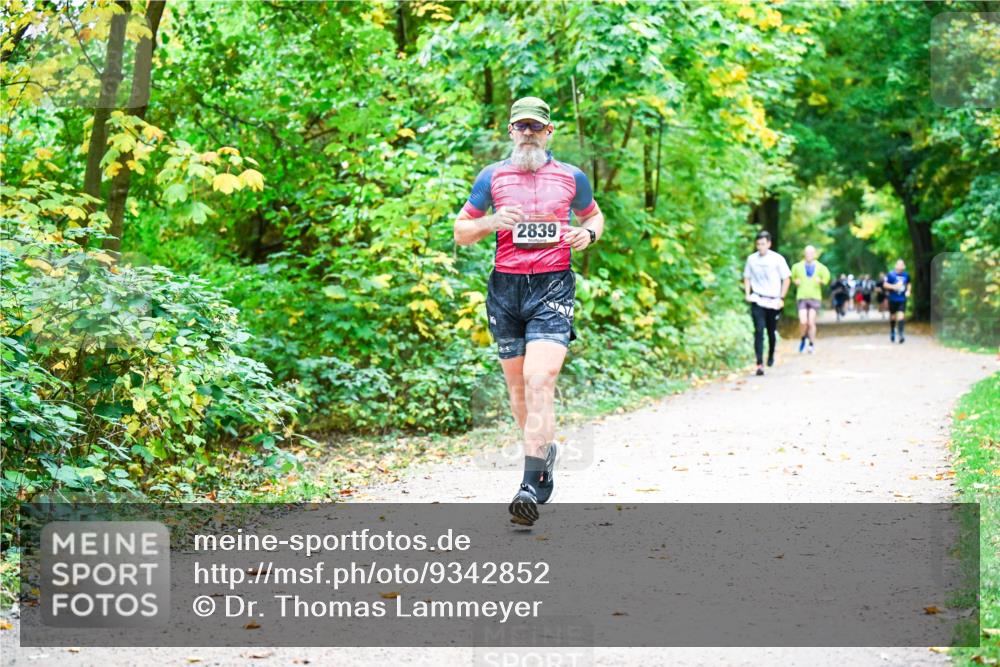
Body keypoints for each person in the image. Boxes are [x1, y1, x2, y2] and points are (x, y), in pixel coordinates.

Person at [453, 97, 604, 526]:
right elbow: (461, 231)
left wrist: (588, 235)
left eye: (536, 127)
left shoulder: (572, 177)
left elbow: (594, 216)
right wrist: (492, 221)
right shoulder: (492, 176)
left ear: (549, 131)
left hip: (552, 284)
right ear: (510, 131)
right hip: (506, 289)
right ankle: (544, 453)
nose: (528, 133)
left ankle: (528, 485)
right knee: (518, 391)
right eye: (521, 126)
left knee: (540, 379)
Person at [743, 231, 790, 376]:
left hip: (773, 301)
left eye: (763, 244)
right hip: (758, 299)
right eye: (758, 244)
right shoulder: (751, 259)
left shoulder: (777, 259)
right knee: (759, 330)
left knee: (771, 331)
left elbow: (786, 278)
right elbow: (747, 277)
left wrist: (781, 298)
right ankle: (759, 363)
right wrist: (747, 294)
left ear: (769, 244)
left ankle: (770, 354)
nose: (760, 247)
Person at [789, 245, 830, 353]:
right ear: (804, 253)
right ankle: (803, 338)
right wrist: (795, 281)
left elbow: (826, 279)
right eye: (807, 253)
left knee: (811, 322)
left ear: (815, 254)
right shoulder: (797, 266)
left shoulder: (821, 267)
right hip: (802, 296)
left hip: (815, 297)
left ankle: (811, 344)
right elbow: (792, 277)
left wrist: (821, 281)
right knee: (803, 321)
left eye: (811, 253)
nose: (809, 255)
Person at [884, 259, 911, 343]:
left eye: (902, 265)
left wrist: (908, 291)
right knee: (893, 316)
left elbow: (909, 284)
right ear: (896, 266)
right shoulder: (891, 274)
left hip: (902, 299)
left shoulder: (906, 275)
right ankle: (892, 330)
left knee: (901, 316)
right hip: (892, 299)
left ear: (904, 266)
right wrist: (893, 287)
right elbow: (885, 285)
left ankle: (901, 334)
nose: (900, 266)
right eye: (899, 264)